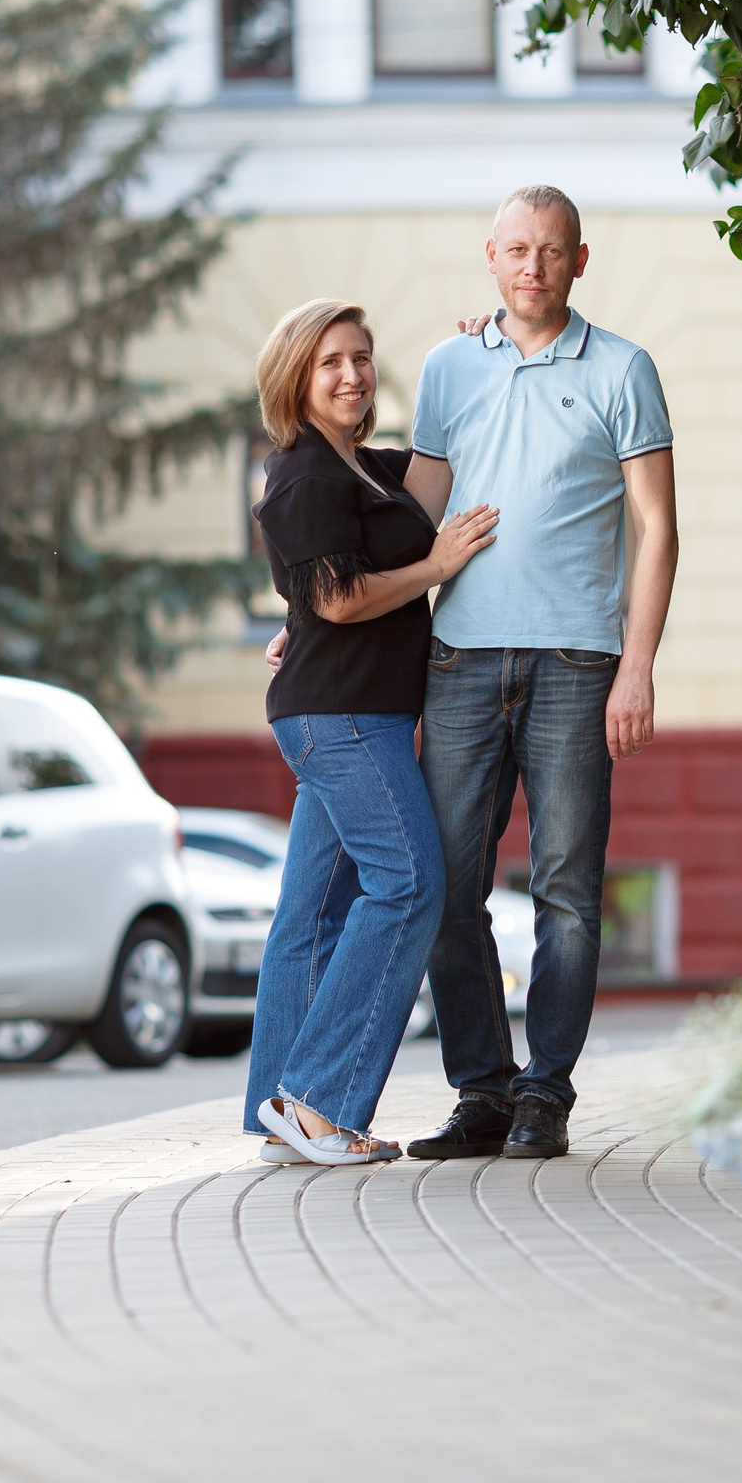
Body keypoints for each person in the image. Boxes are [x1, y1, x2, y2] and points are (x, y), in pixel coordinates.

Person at [396, 184, 680, 1161]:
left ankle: (544, 1094)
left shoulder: (623, 369)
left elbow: (657, 529)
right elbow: (411, 515)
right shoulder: (448, 368)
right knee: (445, 886)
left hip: (576, 663)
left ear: (579, 260)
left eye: (551, 250)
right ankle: (482, 1091)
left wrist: (637, 666)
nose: (533, 266)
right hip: (459, 659)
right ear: (491, 256)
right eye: (516, 249)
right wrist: (314, 615)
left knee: (566, 891)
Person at [242, 298, 500, 1166]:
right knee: (410, 883)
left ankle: (279, 1116)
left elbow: (432, 476)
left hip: (351, 711)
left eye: (360, 357)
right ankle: (318, 1101)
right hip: (344, 717)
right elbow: (338, 597)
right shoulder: (304, 474)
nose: (352, 375)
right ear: (296, 378)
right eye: (330, 363)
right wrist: (437, 565)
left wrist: (468, 362)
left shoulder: (364, 468)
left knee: (312, 914)